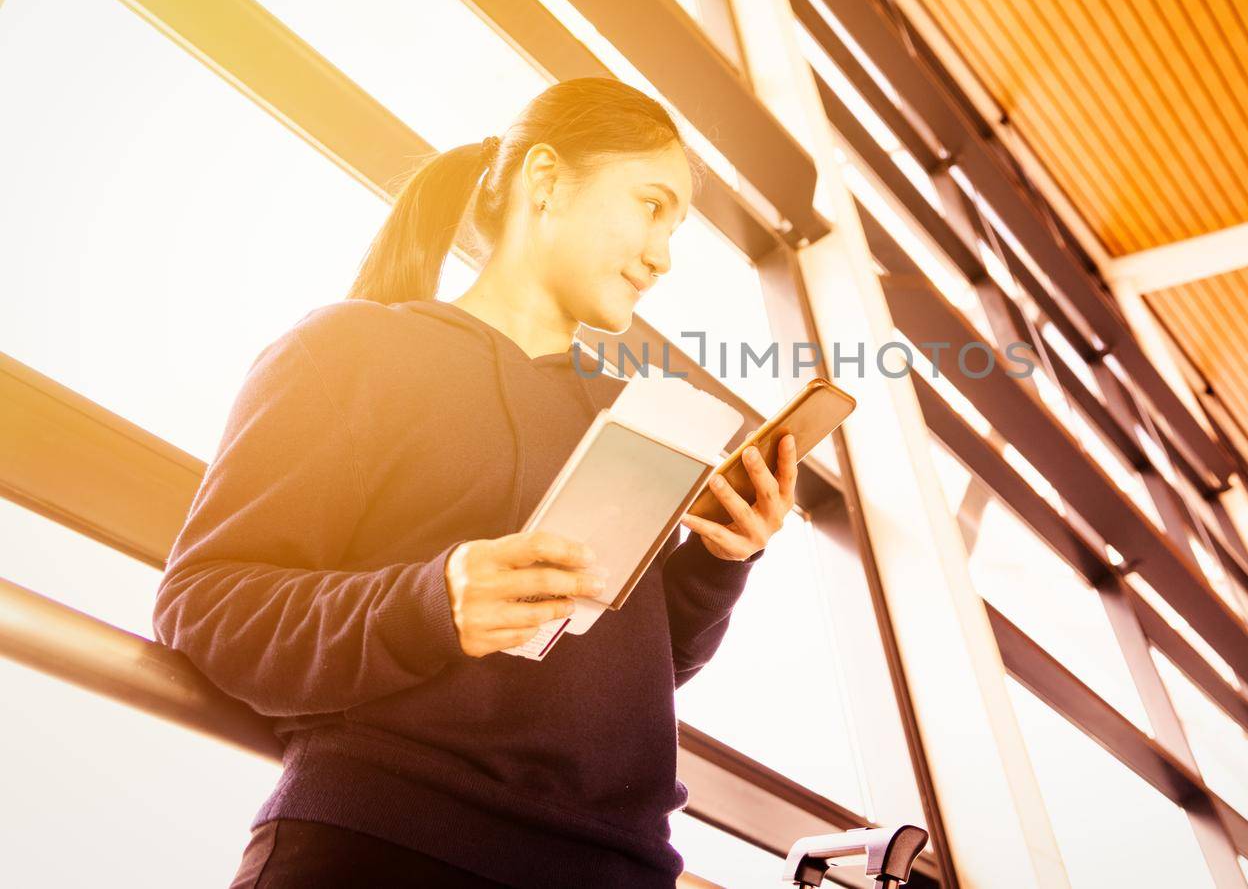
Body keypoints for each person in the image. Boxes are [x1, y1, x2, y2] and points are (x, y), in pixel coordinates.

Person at [154, 77, 800, 887]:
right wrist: (432, 603)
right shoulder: (349, 352)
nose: (663, 257)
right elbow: (206, 604)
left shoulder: (628, 415)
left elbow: (632, 665)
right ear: (545, 181)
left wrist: (718, 561)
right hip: (385, 846)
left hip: (614, 870)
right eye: (649, 204)